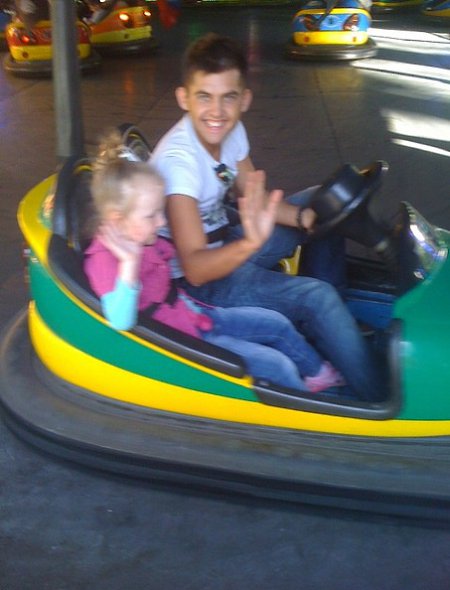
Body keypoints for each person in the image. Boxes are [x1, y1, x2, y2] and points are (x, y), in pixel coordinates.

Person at [150, 32, 385, 403]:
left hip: (229, 242)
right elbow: (195, 269)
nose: (216, 111)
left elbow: (253, 196)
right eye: (204, 97)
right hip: (197, 286)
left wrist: (306, 216)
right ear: (184, 98)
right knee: (317, 297)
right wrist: (249, 244)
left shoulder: (229, 132)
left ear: (244, 99)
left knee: (321, 202)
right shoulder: (178, 163)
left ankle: (330, 329)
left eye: (228, 97)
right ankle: (377, 401)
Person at [83, 130, 346, 394]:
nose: (161, 222)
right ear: (117, 219)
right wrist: (129, 264)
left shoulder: (140, 237)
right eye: (151, 216)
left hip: (196, 316)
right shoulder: (106, 261)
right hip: (182, 344)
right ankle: (308, 412)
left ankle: (319, 375)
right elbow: (120, 320)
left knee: (276, 323)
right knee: (276, 365)